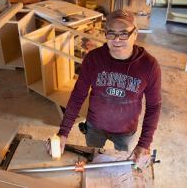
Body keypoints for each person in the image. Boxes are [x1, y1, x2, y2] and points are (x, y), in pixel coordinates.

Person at [51, 9, 161, 168]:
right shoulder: (93, 59)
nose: (116, 39)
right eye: (111, 33)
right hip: (95, 126)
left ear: (135, 33)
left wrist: (144, 144)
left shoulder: (149, 66)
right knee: (93, 162)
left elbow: (154, 106)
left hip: (126, 130)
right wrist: (63, 132)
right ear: (105, 33)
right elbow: (77, 96)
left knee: (123, 166)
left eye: (124, 33)